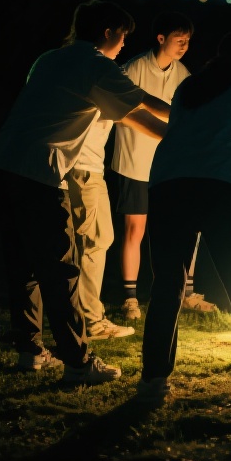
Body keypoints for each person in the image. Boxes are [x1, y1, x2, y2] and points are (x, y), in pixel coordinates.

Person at [0, 0, 169, 385]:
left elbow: (131, 116)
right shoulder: (96, 65)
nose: (123, 45)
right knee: (61, 267)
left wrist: (176, 136)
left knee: (23, 265)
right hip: (40, 170)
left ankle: (31, 351)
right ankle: (78, 361)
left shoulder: (51, 58)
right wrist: (196, 120)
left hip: (4, 162)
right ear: (107, 31)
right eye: (122, 37)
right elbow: (146, 104)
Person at [138, 31, 231, 404]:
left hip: (169, 184)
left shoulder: (189, 87)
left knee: (167, 282)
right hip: (222, 188)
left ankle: (153, 381)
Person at [111, 12, 217, 319]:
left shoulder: (182, 73)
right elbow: (128, 112)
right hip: (135, 161)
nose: (184, 45)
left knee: (182, 226)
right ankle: (130, 297)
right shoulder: (133, 68)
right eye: (178, 39)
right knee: (135, 229)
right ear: (161, 38)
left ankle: (186, 291)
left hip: (171, 164)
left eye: (187, 41)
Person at [65, 119, 136, 341]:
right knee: (90, 244)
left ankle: (89, 316)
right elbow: (133, 110)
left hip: (89, 167)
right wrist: (179, 124)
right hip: (83, 167)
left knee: (100, 239)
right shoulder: (99, 84)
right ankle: (91, 321)